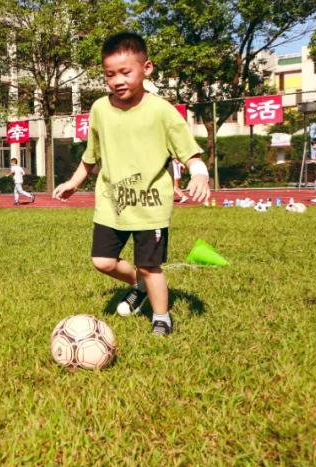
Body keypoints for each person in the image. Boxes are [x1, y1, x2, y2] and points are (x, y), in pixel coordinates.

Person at [52, 32, 209, 336]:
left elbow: (188, 150)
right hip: (111, 204)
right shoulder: (99, 109)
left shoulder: (161, 110)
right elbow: (91, 154)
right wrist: (74, 181)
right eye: (110, 74)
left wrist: (199, 172)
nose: (118, 80)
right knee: (102, 261)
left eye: (126, 72)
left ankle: (161, 317)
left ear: (146, 68)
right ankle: (140, 285)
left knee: (150, 266)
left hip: (150, 206)